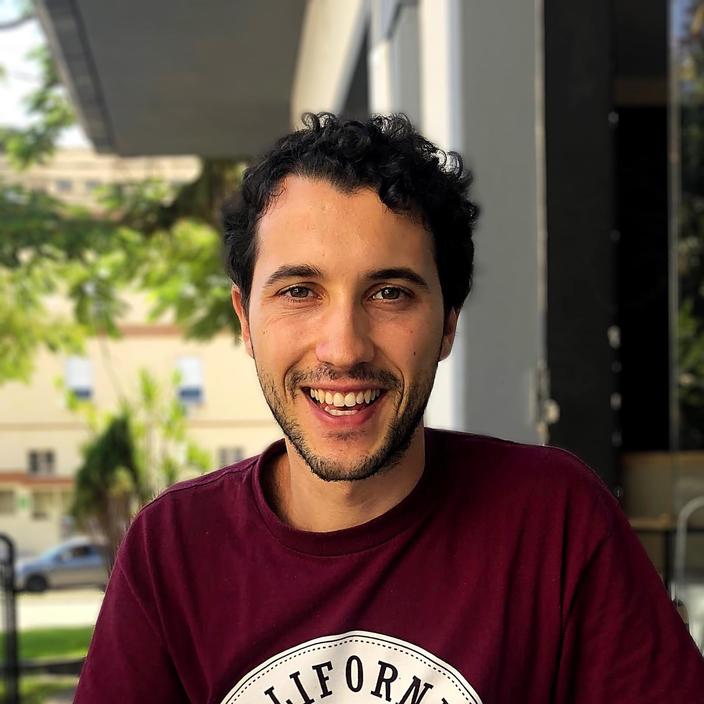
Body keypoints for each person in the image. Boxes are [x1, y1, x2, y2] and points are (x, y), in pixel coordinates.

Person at [75, 113, 704, 703]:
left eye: (390, 293)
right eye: (300, 291)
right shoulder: (172, 551)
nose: (344, 348)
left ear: (448, 323)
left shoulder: (554, 520)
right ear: (245, 319)